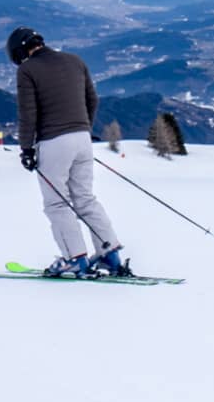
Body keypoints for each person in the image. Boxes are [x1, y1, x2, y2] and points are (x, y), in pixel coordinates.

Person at [8, 26, 130, 278]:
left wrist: (26, 149)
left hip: (54, 142)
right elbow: (92, 100)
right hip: (83, 139)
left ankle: (74, 259)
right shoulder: (75, 60)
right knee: (85, 198)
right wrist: (84, 126)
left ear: (20, 51)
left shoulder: (27, 70)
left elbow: (28, 114)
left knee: (56, 203)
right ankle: (110, 255)